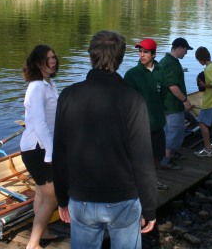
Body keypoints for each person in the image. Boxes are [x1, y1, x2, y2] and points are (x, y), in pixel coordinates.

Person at [52, 31, 157, 248]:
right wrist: (149, 208)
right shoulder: (133, 99)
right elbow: (143, 159)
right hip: (124, 199)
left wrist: (61, 199)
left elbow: (59, 153)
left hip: (81, 198)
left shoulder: (69, 96)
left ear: (91, 56)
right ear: (120, 59)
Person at [19, 44, 60, 249]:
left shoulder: (49, 84)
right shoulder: (36, 87)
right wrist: (51, 153)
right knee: (53, 197)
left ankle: (43, 232)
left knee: (42, 193)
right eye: (48, 58)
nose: (52, 61)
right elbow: (39, 124)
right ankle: (33, 244)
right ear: (37, 62)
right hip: (38, 149)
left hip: (43, 147)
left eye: (53, 57)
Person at [124, 38, 170, 190]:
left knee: (157, 156)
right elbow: (127, 100)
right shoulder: (132, 74)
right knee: (139, 158)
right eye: (140, 51)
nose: (142, 55)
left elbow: (163, 93)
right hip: (139, 126)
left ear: (154, 54)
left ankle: (154, 181)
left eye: (146, 52)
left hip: (157, 123)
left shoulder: (161, 71)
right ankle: (137, 185)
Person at [159, 37, 194, 169]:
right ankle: (166, 160)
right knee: (173, 132)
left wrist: (181, 71)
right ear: (180, 48)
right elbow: (172, 85)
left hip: (166, 104)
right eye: (186, 50)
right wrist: (185, 100)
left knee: (171, 131)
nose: (186, 53)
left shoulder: (166, 60)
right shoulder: (172, 63)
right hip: (173, 105)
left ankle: (173, 153)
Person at [193, 47, 212, 157]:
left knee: (202, 123)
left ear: (201, 58)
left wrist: (203, 85)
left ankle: (208, 150)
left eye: (198, 60)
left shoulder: (208, 69)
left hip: (210, 100)